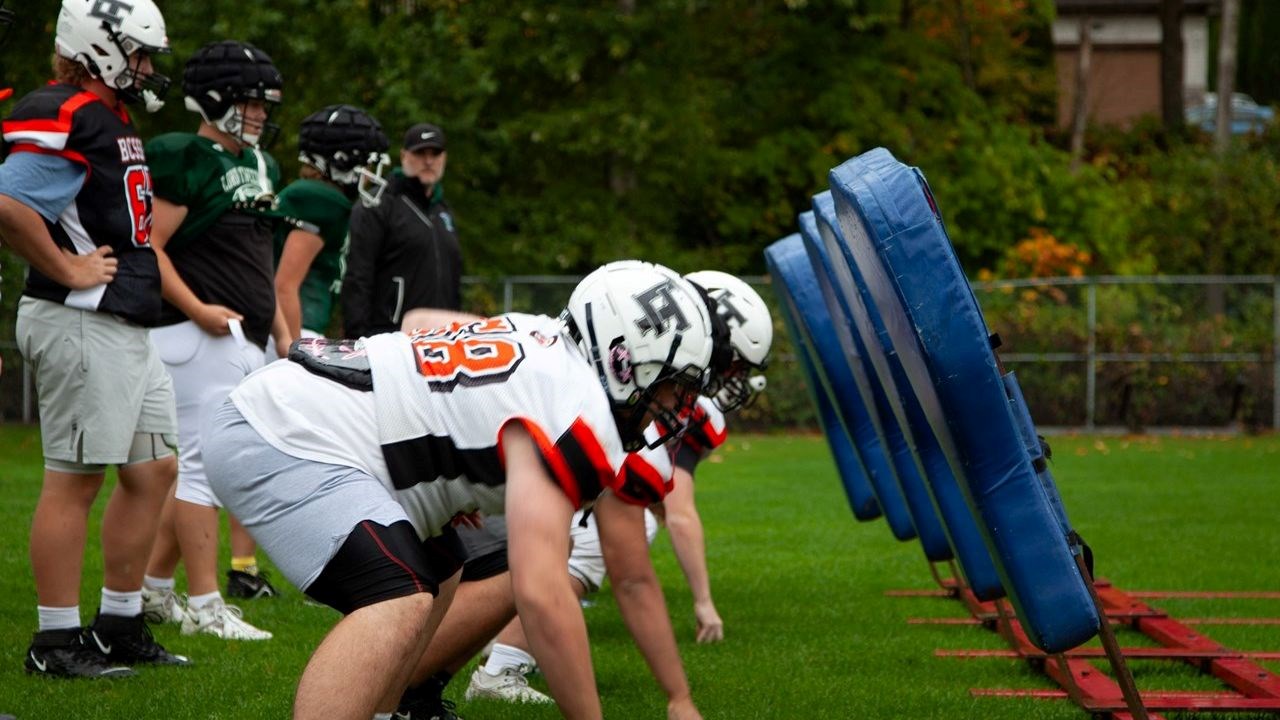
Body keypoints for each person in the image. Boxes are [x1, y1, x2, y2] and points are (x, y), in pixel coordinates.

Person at [201, 261, 712, 720]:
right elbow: (541, 594)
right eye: (672, 383)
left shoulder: (547, 341)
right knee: (397, 594)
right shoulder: (578, 409)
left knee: (441, 571)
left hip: (304, 416)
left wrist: (450, 480)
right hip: (284, 432)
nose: (675, 403)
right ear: (624, 359)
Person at [456, 270, 775, 705]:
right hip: (401, 469)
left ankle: (455, 667)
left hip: (445, 477)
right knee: (586, 544)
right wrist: (702, 604)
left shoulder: (580, 364)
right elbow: (666, 531)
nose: (721, 379)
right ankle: (502, 658)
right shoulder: (598, 390)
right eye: (728, 360)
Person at [0, 0, 187, 678]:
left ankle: (119, 622)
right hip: (80, 317)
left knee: (153, 470)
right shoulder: (66, 110)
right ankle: (54, 643)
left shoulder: (110, 116)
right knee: (75, 480)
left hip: (123, 321)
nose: (146, 67)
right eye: (138, 53)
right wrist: (66, 266)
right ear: (100, 46)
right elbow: (9, 201)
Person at [138, 40, 288, 641]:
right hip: (195, 335)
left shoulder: (261, 165)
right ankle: (205, 604)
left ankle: (152, 589)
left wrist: (278, 331)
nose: (258, 114)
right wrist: (198, 307)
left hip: (243, 334)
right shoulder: (184, 156)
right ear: (217, 99)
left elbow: (258, 258)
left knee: (205, 471)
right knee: (204, 471)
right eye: (250, 102)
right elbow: (148, 246)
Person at [274, 104, 389, 342]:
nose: (369, 172)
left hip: (288, 328)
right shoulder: (322, 200)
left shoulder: (324, 199)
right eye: (366, 163)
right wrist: (294, 349)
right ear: (343, 161)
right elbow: (284, 286)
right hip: (291, 329)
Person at [341, 121, 461, 337]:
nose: (428, 160)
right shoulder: (379, 204)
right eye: (420, 153)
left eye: (435, 153)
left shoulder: (444, 212)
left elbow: (454, 283)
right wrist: (357, 340)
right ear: (404, 155)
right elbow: (357, 277)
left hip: (441, 340)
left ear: (444, 158)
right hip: (390, 338)